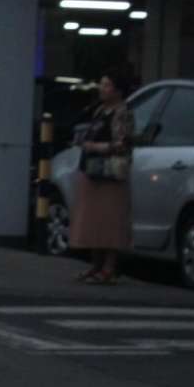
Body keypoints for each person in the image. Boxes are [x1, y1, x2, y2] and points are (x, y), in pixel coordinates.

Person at [69, 68, 135, 284]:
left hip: (109, 174)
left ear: (118, 91)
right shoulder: (99, 110)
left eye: (107, 85)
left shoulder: (122, 112)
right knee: (93, 222)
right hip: (92, 171)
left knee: (110, 222)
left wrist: (95, 146)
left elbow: (122, 143)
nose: (102, 89)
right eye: (101, 84)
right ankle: (95, 265)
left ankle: (109, 268)